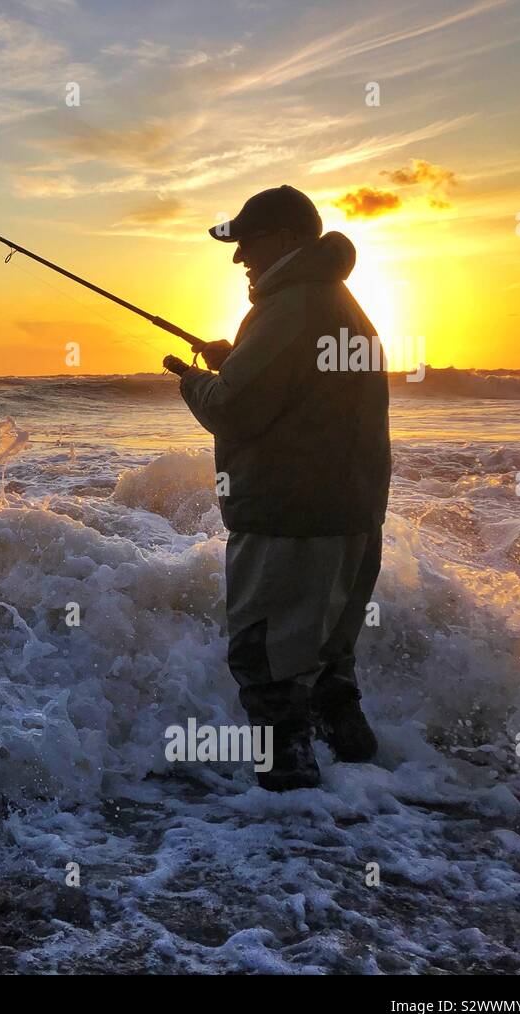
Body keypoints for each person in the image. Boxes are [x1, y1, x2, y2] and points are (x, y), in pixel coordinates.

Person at [162, 185, 391, 791]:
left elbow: (234, 412)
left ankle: (286, 806)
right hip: (353, 515)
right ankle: (370, 790)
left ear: (287, 240)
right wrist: (235, 359)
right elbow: (305, 393)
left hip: (290, 518)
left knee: (264, 662)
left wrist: (194, 383)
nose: (240, 258)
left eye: (248, 242)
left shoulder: (289, 307)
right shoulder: (338, 304)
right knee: (328, 664)